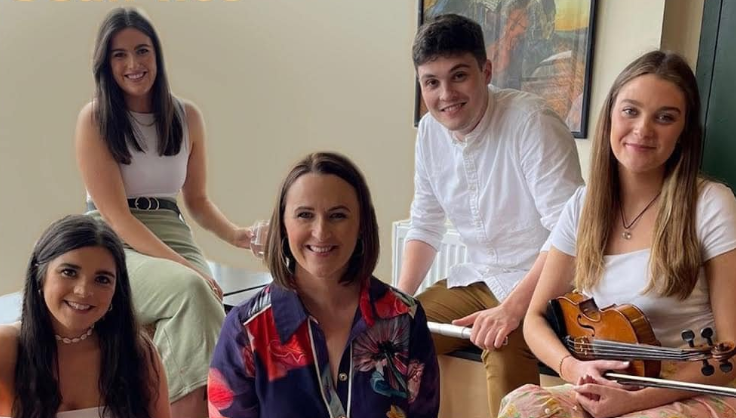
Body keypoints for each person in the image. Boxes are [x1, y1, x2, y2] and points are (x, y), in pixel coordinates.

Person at [499, 50, 736, 418]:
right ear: (610, 115)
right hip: (607, 384)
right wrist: (572, 368)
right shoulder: (583, 205)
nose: (643, 129)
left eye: (665, 117)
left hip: (692, 389)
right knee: (523, 406)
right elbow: (535, 319)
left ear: (684, 133)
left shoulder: (710, 204)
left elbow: (731, 350)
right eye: (631, 111)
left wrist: (637, 401)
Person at [398, 13, 582, 415]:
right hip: (478, 278)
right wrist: (399, 300)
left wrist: (512, 310)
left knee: (504, 368)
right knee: (392, 341)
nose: (445, 94)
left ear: (486, 70)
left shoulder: (533, 122)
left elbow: (568, 236)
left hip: (543, 288)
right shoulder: (430, 131)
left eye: (458, 76)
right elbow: (425, 222)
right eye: (431, 82)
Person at [74, 8, 249, 417]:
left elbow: (198, 202)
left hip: (173, 230)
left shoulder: (186, 116)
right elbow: (117, 217)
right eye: (119, 55)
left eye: (142, 51)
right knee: (192, 291)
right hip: (112, 240)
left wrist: (237, 236)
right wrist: (186, 269)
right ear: (106, 63)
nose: (133, 64)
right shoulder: (95, 118)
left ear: (157, 55)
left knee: (210, 309)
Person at [207, 152, 440, 418]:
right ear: (283, 226)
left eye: (338, 216)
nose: (321, 232)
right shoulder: (245, 330)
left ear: (362, 225)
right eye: (305, 215)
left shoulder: (405, 319)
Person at [0, 215, 169, 418]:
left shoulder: (135, 349)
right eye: (69, 272)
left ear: (117, 289)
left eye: (102, 279)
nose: (83, 291)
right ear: (40, 275)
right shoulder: (7, 346)